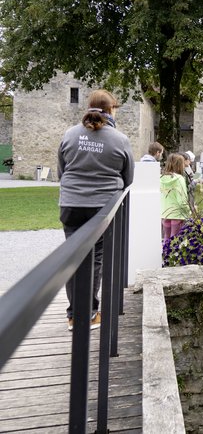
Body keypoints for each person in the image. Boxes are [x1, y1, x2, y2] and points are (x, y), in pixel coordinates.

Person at [57, 89, 134, 331]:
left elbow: (61, 171)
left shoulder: (70, 134)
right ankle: (89, 313)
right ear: (111, 110)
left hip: (71, 203)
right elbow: (128, 177)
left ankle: (73, 315)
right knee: (95, 257)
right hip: (102, 205)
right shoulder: (120, 139)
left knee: (73, 256)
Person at [160, 153, 191, 240]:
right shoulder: (179, 179)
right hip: (177, 214)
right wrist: (189, 211)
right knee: (175, 240)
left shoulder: (161, 178)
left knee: (166, 238)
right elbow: (182, 200)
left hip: (165, 213)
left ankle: (165, 254)